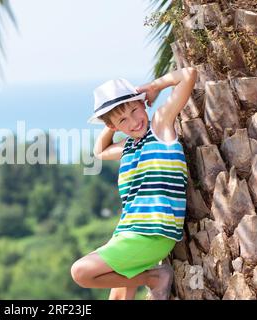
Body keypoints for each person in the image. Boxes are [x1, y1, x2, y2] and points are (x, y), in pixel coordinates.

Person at [70, 67, 197, 300]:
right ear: (113, 127)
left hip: (151, 236)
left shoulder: (160, 128)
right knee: (118, 298)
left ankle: (153, 278)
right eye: (123, 120)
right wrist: (110, 123)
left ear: (143, 105)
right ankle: (151, 277)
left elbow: (188, 74)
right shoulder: (128, 147)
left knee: (81, 271)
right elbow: (100, 151)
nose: (134, 121)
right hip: (127, 235)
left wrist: (153, 87)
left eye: (135, 110)